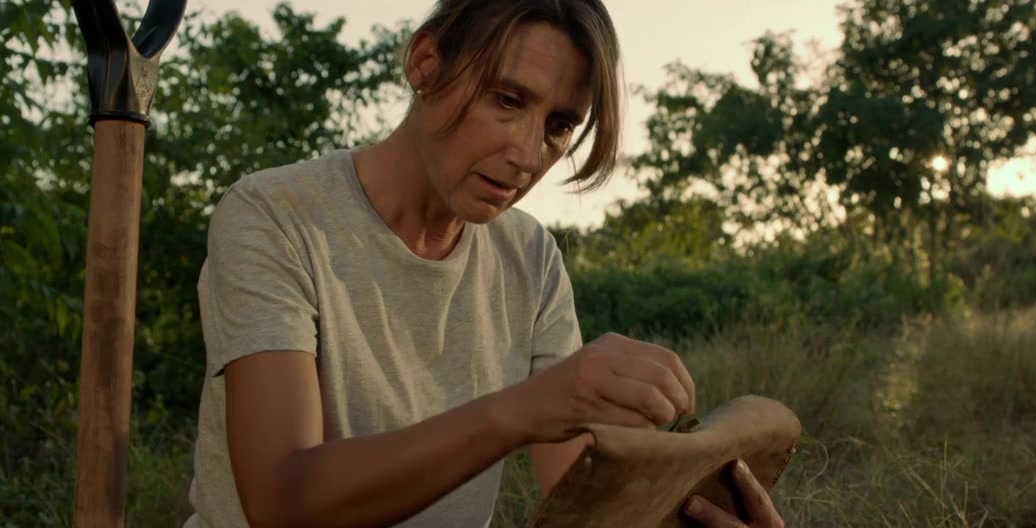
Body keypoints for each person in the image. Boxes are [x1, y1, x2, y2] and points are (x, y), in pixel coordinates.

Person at [183, 0, 785, 526]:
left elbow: (581, 492)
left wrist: (687, 506)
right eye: (507, 99)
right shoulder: (275, 215)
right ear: (426, 63)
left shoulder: (530, 256)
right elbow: (281, 500)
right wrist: (523, 409)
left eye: (558, 126)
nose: (527, 154)